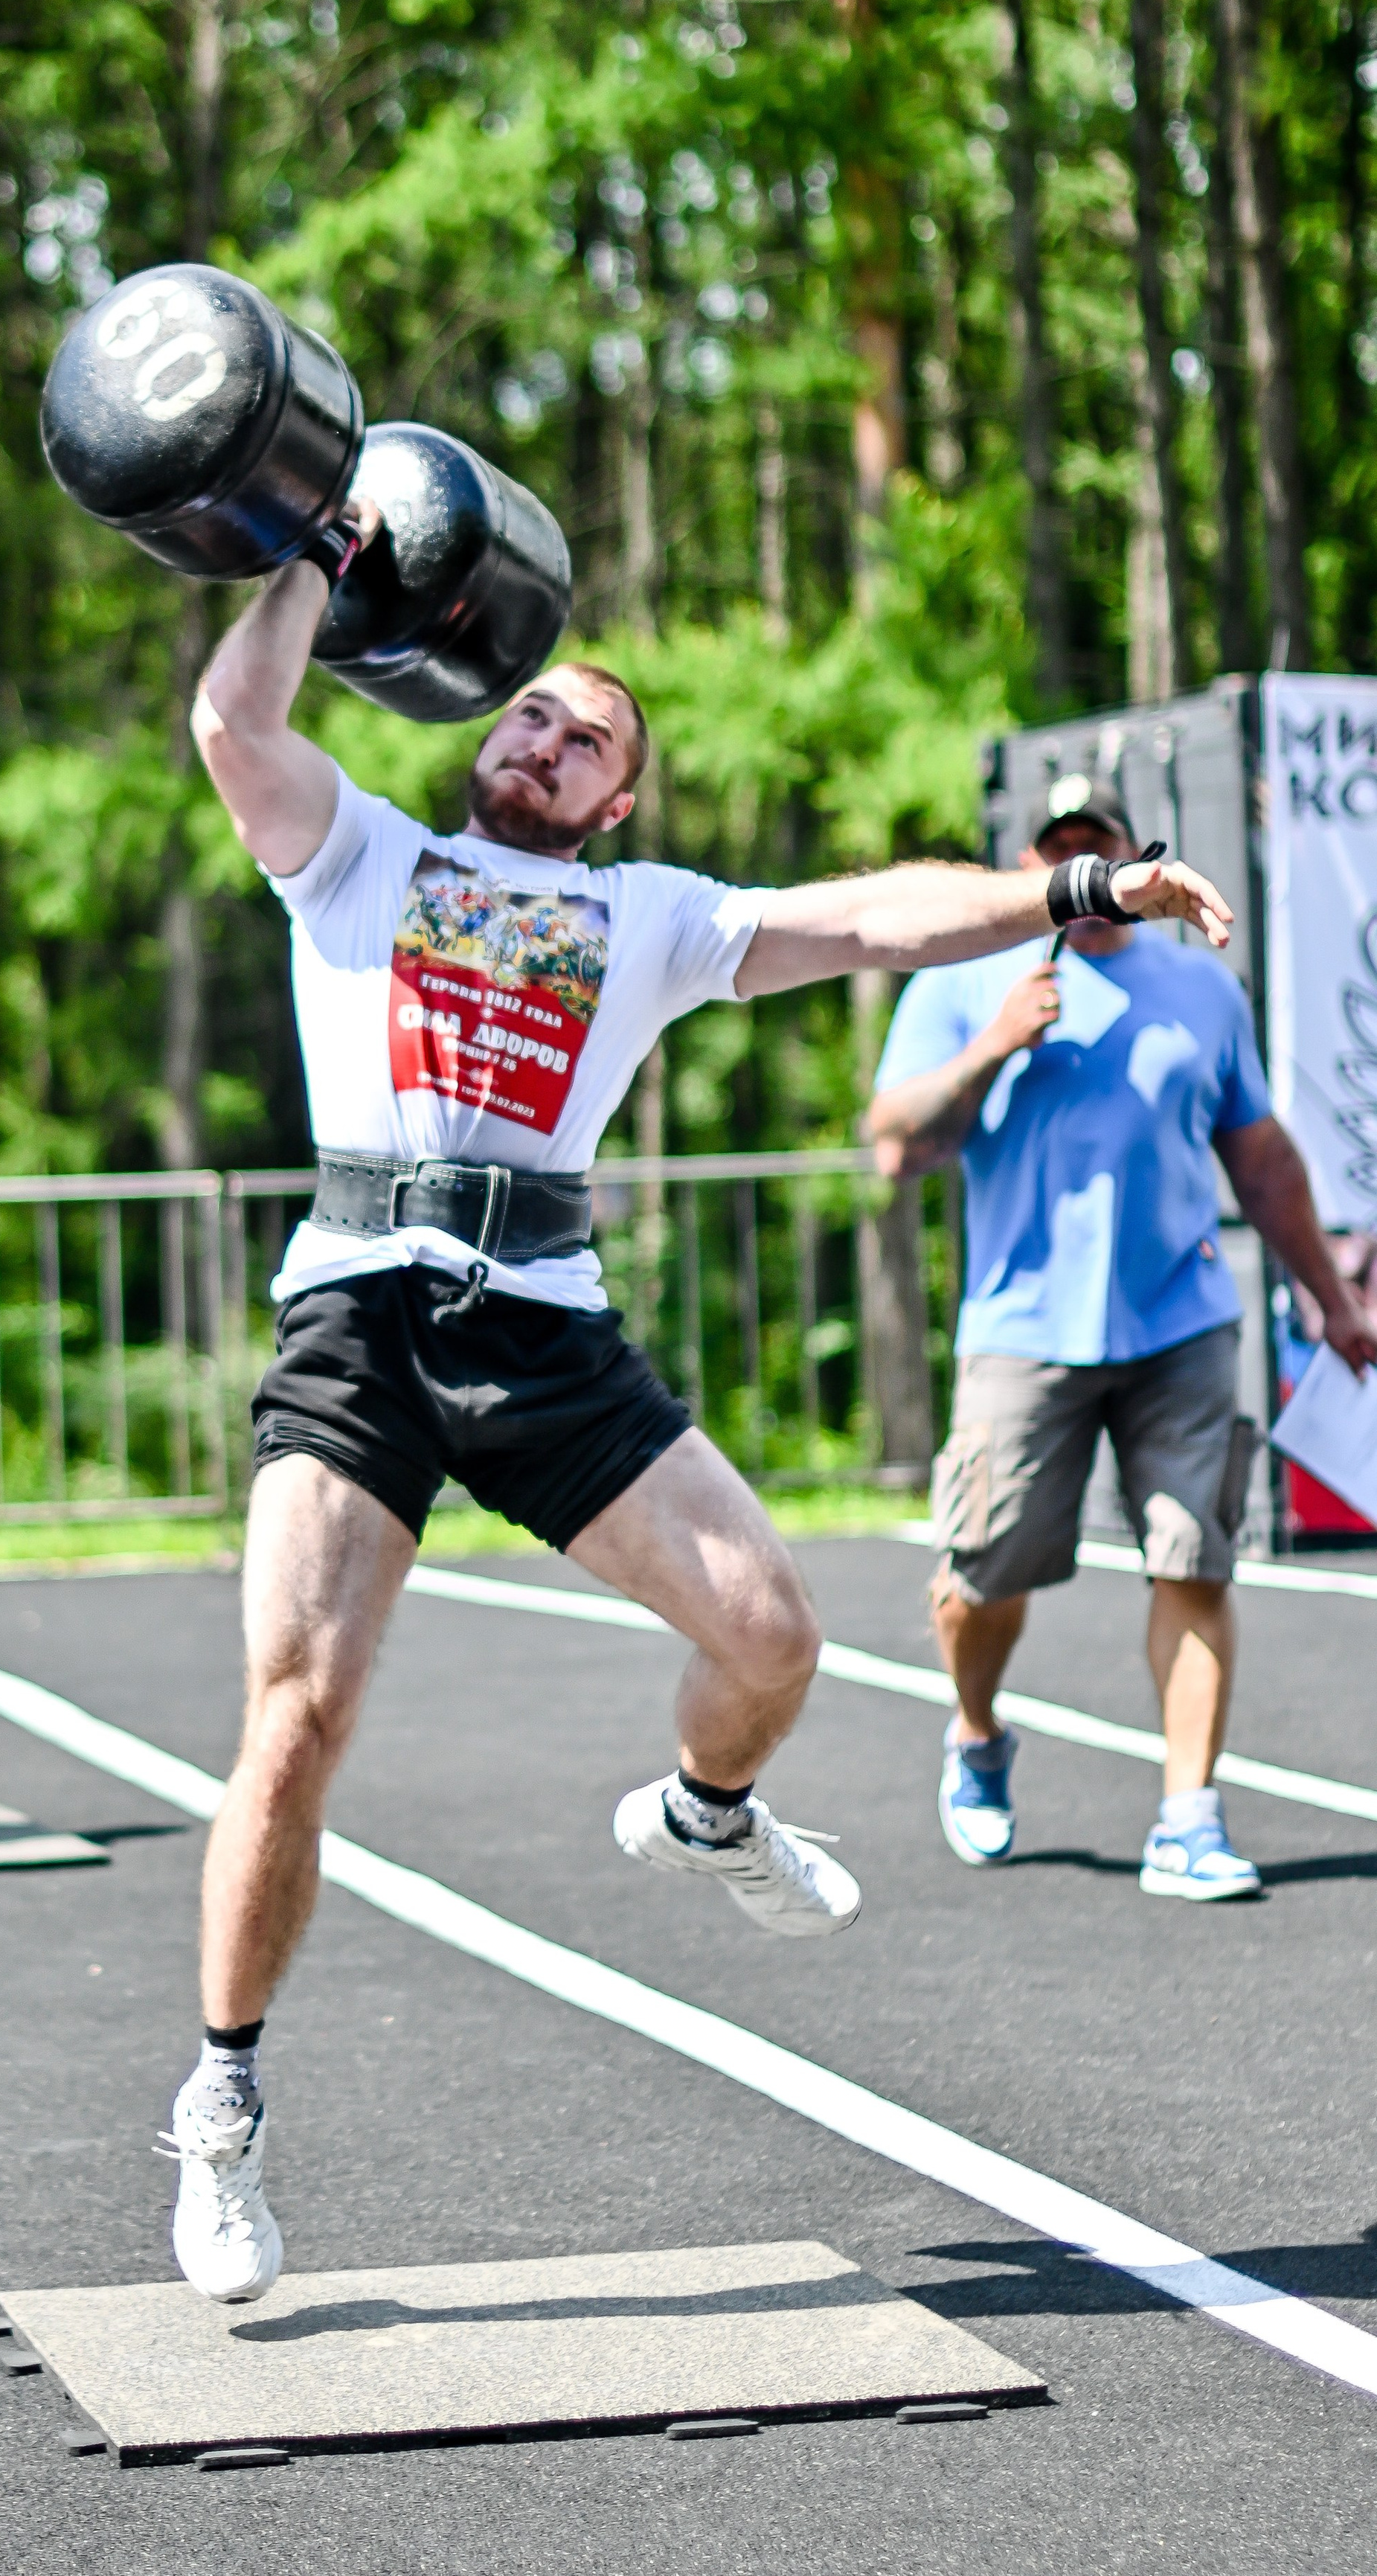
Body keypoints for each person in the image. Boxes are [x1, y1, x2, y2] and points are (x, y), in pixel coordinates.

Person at [161, 528, 1236, 2304]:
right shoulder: (357, 851)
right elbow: (227, 720)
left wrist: (1079, 891)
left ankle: (707, 1810)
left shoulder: (641, 915)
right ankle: (221, 2102)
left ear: (613, 803)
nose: (542, 744)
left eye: (584, 742)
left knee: (774, 1642)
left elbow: (869, 914)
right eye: (527, 720)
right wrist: (294, 557)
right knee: (297, 1711)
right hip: (359, 1308)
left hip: (545, 1327)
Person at [868, 770, 1377, 1900]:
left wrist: (1333, 1303)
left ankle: (1187, 1817)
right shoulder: (966, 977)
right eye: (1059, 849)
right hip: (1023, 1327)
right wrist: (993, 1043)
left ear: (1139, 861)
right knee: (984, 1574)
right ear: (1031, 867)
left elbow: (1262, 1156)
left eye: (1101, 845)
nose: (1083, 871)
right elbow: (895, 1144)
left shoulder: (1202, 990)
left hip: (1181, 1322)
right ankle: (978, 1731)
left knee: (1192, 1559)